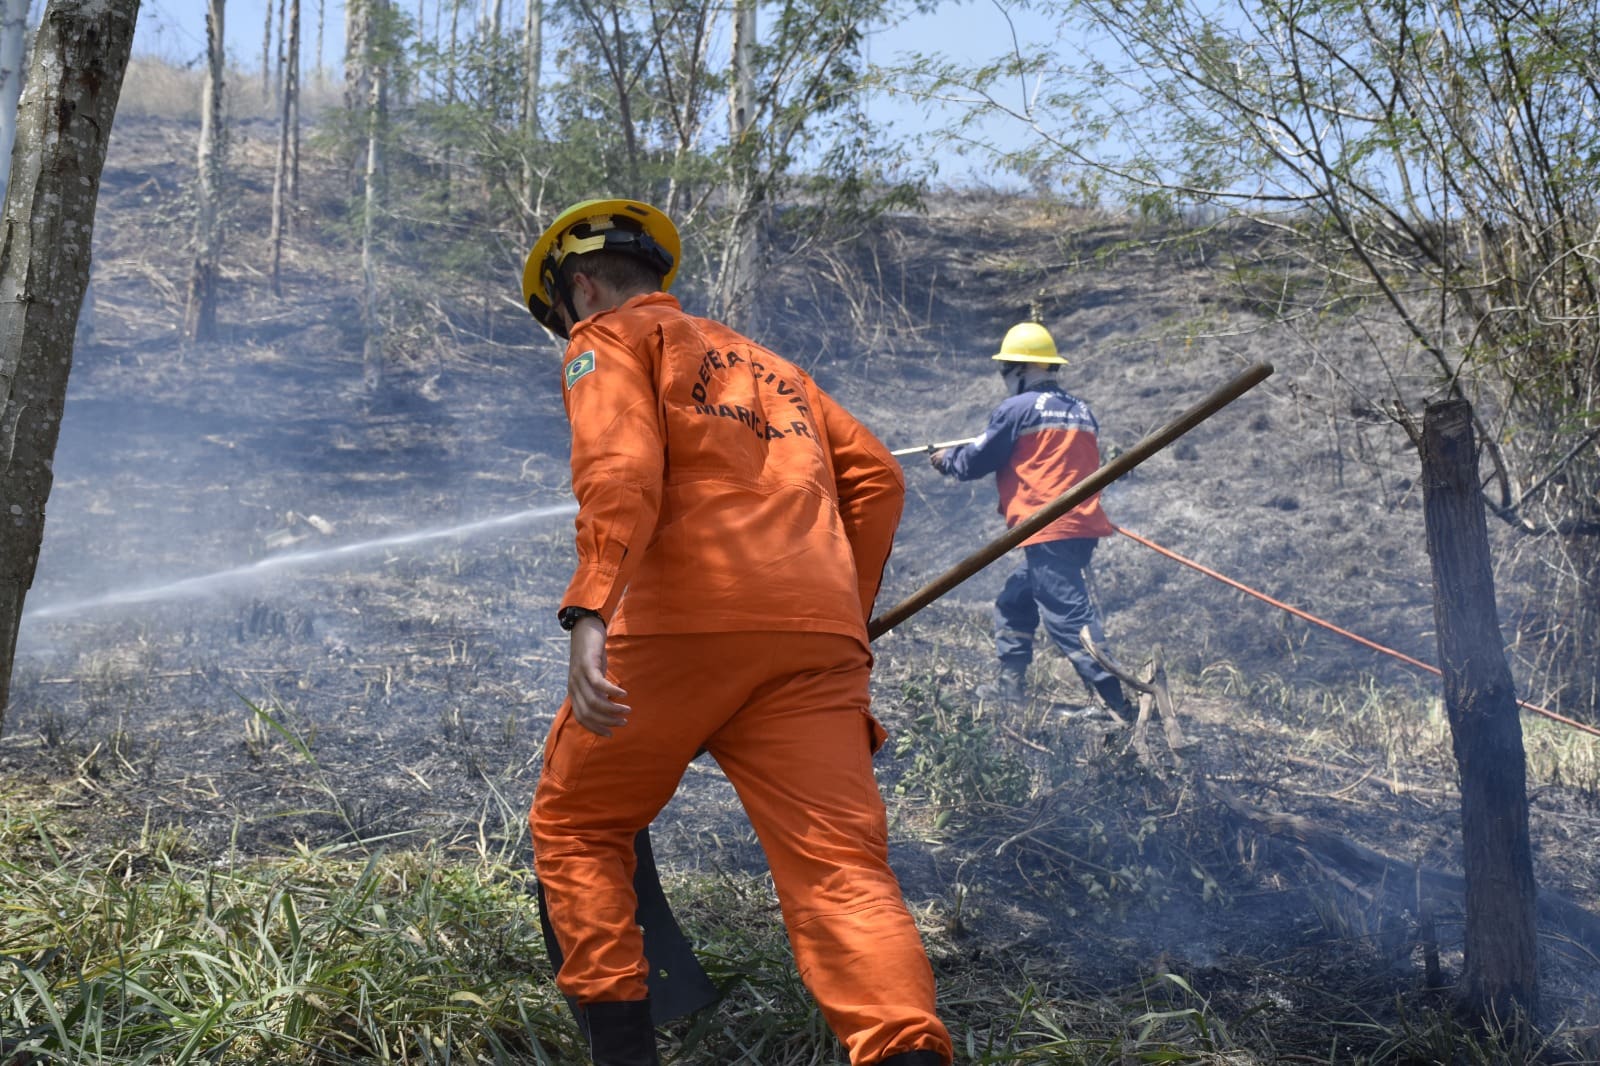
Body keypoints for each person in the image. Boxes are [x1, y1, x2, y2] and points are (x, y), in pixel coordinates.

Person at [520, 198, 953, 1066]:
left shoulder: (606, 339)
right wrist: (839, 616)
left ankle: (624, 1053)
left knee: (579, 829)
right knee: (842, 873)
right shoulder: (776, 368)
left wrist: (591, 610)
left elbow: (622, 470)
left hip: (679, 630)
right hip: (813, 650)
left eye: (562, 314)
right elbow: (876, 479)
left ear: (581, 284)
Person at [929, 321, 1132, 717]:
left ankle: (1115, 704)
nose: (1003, 378)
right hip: (1079, 528)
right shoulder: (1080, 410)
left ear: (1019, 368)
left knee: (1068, 617)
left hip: (1050, 526)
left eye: (1005, 369)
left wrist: (946, 460)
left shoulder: (1016, 409)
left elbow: (975, 461)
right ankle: (1010, 689)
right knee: (1015, 600)